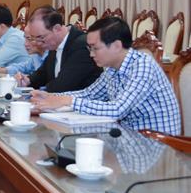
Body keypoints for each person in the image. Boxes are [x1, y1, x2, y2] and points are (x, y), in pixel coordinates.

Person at [31, 17, 181, 135]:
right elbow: (89, 94)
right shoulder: (111, 68)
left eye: (95, 48)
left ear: (116, 46)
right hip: (127, 137)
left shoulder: (142, 65)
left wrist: (69, 101)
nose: (91, 54)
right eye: (89, 48)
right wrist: (51, 97)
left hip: (156, 143)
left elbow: (118, 109)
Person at [17, 6, 101, 92]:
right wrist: (28, 80)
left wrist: (40, 92)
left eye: (40, 37)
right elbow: (43, 73)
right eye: (34, 38)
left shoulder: (81, 46)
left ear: (57, 29)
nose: (37, 43)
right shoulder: (55, 44)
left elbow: (63, 85)